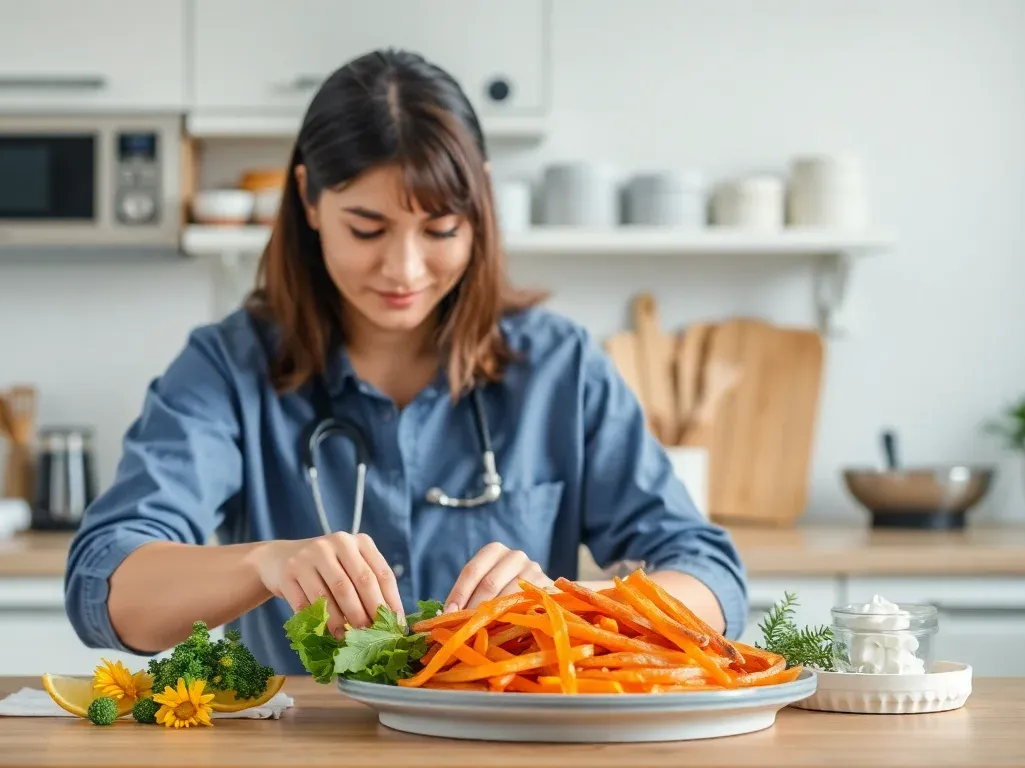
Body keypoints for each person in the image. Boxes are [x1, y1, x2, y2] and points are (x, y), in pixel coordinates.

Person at [64, 49, 748, 675]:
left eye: (441, 229)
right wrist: (266, 562)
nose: (404, 268)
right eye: (367, 228)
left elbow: (709, 576)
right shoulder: (226, 367)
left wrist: (572, 605)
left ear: (478, 204)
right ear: (308, 198)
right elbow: (105, 585)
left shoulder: (560, 368)